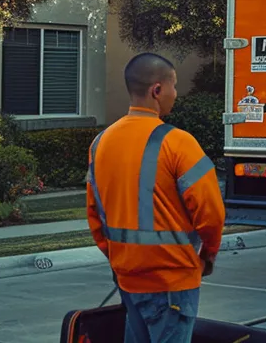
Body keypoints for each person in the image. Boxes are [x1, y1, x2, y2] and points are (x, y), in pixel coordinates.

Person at [87, 53, 226, 342]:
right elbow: (211, 212)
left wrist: (120, 259)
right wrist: (207, 255)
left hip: (128, 278)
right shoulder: (178, 142)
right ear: (157, 90)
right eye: (174, 86)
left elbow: (95, 216)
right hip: (172, 281)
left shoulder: (100, 144)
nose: (177, 94)